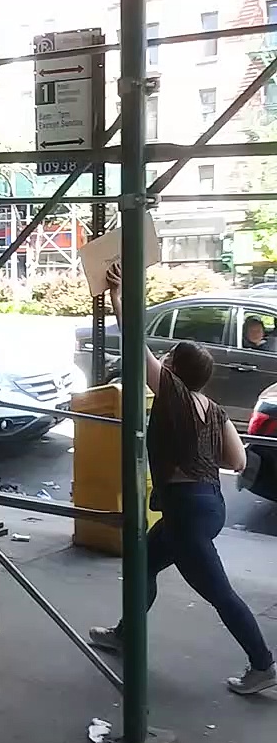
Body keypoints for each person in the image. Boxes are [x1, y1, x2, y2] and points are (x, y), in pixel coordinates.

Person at [89, 262, 276, 696]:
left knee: (218, 592)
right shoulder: (212, 409)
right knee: (144, 566)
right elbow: (237, 461)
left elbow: (135, 346)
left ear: (176, 370)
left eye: (170, 358)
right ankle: (124, 633)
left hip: (187, 512)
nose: (164, 360)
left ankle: (263, 663)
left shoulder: (173, 396)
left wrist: (119, 296)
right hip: (205, 505)